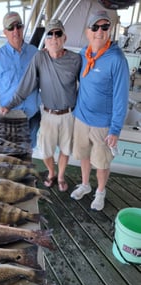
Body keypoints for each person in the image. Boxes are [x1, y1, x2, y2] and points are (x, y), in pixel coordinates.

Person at [0, 19, 81, 191]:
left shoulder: (76, 59)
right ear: (45, 40)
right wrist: (8, 105)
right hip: (48, 114)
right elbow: (26, 85)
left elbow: (87, 86)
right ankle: (51, 172)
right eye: (49, 34)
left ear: (64, 38)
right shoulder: (39, 57)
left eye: (57, 33)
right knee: (45, 151)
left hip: (69, 114)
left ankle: (60, 176)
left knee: (65, 150)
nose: (53, 38)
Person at [70, 10, 130, 210]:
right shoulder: (83, 54)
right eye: (95, 27)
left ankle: (100, 192)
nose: (99, 31)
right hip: (81, 118)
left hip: (103, 124)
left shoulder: (117, 59)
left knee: (102, 163)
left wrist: (115, 129)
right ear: (88, 31)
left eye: (104, 27)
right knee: (84, 155)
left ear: (110, 30)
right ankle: (86, 185)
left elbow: (121, 97)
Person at [0, 11, 41, 148]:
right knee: (13, 155)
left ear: (22, 28)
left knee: (29, 152)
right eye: (11, 27)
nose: (15, 31)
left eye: (18, 26)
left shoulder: (35, 52)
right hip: (11, 117)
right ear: (5, 32)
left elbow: (45, 80)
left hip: (33, 115)